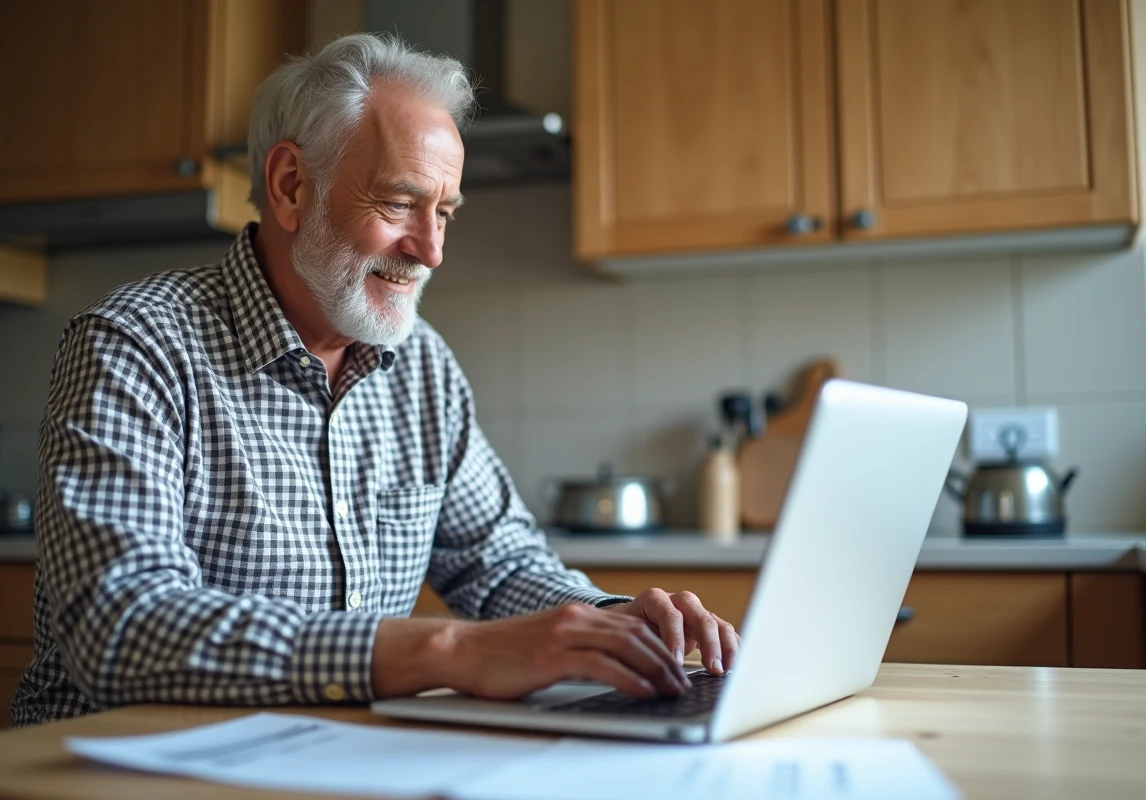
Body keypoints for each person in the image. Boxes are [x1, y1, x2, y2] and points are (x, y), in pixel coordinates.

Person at [10, 33, 738, 728]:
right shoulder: (137, 345)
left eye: (444, 212)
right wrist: (442, 649)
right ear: (292, 187)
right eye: (399, 203)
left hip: (329, 757)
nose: (431, 250)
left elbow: (497, 560)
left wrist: (608, 622)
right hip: (117, 770)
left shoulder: (422, 366)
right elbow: (120, 623)